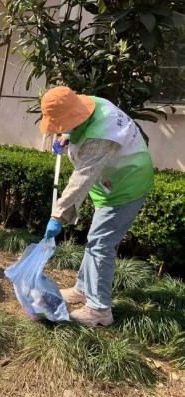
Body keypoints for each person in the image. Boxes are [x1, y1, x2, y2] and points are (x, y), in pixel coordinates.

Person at [41, 86, 154, 327]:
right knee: (96, 238)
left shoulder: (102, 135)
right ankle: (83, 289)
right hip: (110, 185)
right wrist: (68, 135)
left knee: (101, 243)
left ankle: (100, 310)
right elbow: (80, 125)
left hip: (126, 186)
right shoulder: (89, 104)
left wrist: (58, 215)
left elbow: (82, 177)